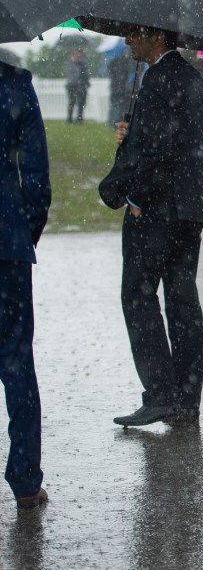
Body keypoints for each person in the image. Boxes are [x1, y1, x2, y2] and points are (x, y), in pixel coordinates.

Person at [99, 26, 203, 427]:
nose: (128, 40)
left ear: (155, 36)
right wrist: (130, 137)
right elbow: (175, 141)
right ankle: (187, 398)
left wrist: (134, 197)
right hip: (189, 208)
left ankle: (161, 394)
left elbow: (160, 151)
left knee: (138, 296)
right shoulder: (194, 78)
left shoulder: (157, 79)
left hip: (156, 210)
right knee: (183, 302)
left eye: (134, 34)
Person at [0, 61, 51, 509]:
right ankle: (24, 478)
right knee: (16, 361)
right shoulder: (15, 85)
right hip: (6, 241)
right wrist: (23, 230)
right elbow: (36, 176)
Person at [64, 49, 90, 124]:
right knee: (72, 102)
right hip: (72, 86)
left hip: (81, 86)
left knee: (81, 103)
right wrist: (75, 83)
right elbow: (70, 76)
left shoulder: (82, 65)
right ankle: (70, 118)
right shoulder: (69, 65)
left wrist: (86, 83)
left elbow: (85, 75)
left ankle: (79, 118)